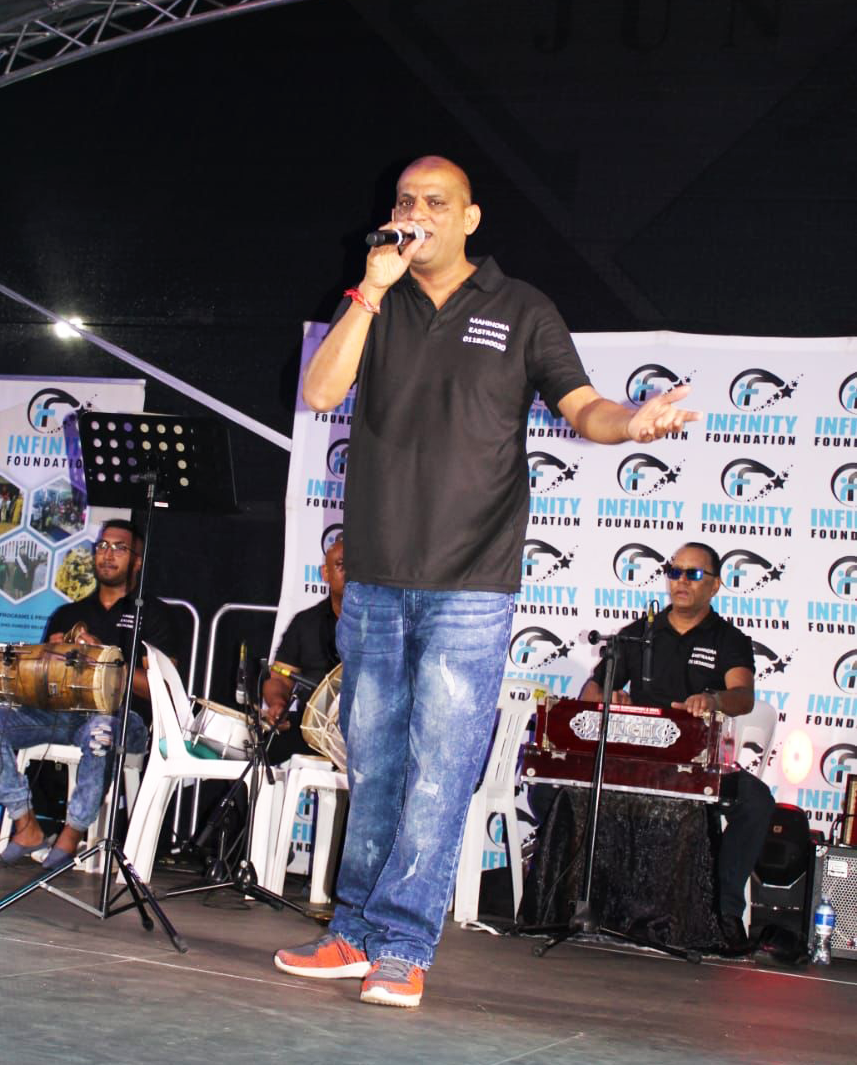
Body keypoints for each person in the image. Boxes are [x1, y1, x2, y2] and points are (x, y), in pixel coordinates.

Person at [273, 155, 699, 1009]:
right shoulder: (378, 300)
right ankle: (353, 933)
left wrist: (633, 423)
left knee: (438, 771)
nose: (418, 212)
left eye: (437, 202)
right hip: (377, 579)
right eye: (406, 200)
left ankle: (403, 945)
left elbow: (583, 406)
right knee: (375, 766)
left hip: (471, 584)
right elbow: (320, 390)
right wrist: (369, 288)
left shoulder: (520, 309)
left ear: (470, 218)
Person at [578, 541, 774, 953]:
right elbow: (591, 689)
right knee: (559, 789)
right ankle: (589, 903)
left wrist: (713, 700)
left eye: (694, 574)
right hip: (639, 761)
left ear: (715, 585)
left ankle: (724, 912)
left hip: (699, 762)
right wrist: (609, 697)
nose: (681, 581)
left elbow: (743, 697)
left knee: (756, 801)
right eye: (674, 571)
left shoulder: (729, 640)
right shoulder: (638, 634)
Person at [0, 519, 175, 871]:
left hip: (125, 719)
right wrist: (47, 659)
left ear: (137, 561)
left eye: (119, 548)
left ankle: (72, 833)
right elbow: (41, 683)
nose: (108, 554)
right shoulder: (69, 613)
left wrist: (101, 660)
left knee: (100, 731)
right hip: (59, 715)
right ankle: (25, 824)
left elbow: (164, 687)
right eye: (102, 546)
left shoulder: (153, 615)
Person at [261, 535, 344, 758]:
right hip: (314, 729)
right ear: (325, 574)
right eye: (341, 565)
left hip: (371, 732)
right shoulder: (305, 623)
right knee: (268, 747)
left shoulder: (387, 625)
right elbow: (279, 679)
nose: (351, 573)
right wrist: (278, 704)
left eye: (357, 567)